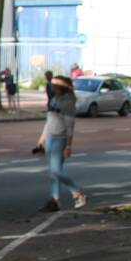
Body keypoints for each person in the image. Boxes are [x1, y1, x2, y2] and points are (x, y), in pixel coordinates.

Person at [36, 75, 87, 211]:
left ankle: (77, 193)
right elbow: (49, 120)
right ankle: (55, 200)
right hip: (50, 138)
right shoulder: (54, 99)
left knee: (56, 170)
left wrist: (68, 146)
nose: (51, 86)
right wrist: (42, 137)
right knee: (53, 172)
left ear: (62, 86)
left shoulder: (68, 102)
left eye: (54, 84)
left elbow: (70, 127)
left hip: (60, 139)